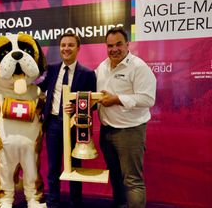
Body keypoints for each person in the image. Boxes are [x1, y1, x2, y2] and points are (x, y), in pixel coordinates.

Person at [95, 26, 157, 208]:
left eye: (119, 44)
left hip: (130, 132)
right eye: (110, 45)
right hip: (107, 132)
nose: (114, 49)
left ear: (128, 44)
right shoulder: (102, 66)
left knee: (132, 181)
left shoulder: (139, 67)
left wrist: (116, 99)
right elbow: (95, 94)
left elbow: (148, 98)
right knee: (115, 176)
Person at [38, 33, 96, 208]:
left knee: (74, 168)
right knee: (53, 168)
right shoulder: (52, 69)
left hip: (74, 126)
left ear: (78, 48)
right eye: (63, 45)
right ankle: (53, 203)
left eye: (70, 45)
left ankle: (75, 203)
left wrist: (78, 108)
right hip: (53, 124)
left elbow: (92, 104)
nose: (66, 48)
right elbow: (39, 88)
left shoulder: (87, 74)